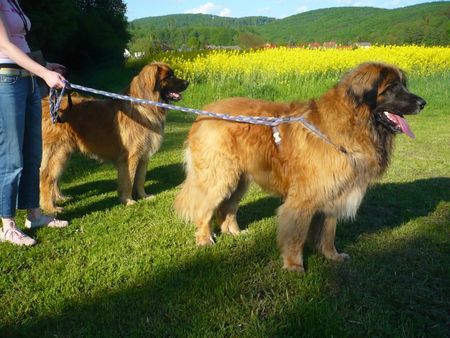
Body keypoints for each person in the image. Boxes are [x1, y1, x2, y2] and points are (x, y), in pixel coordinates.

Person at [0, 0, 68, 246]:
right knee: (11, 157)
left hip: (27, 80)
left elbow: (20, 43)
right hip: (5, 82)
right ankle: (7, 225)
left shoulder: (13, 1)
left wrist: (45, 66)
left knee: (32, 154)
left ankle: (35, 215)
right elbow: (5, 44)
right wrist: (44, 74)